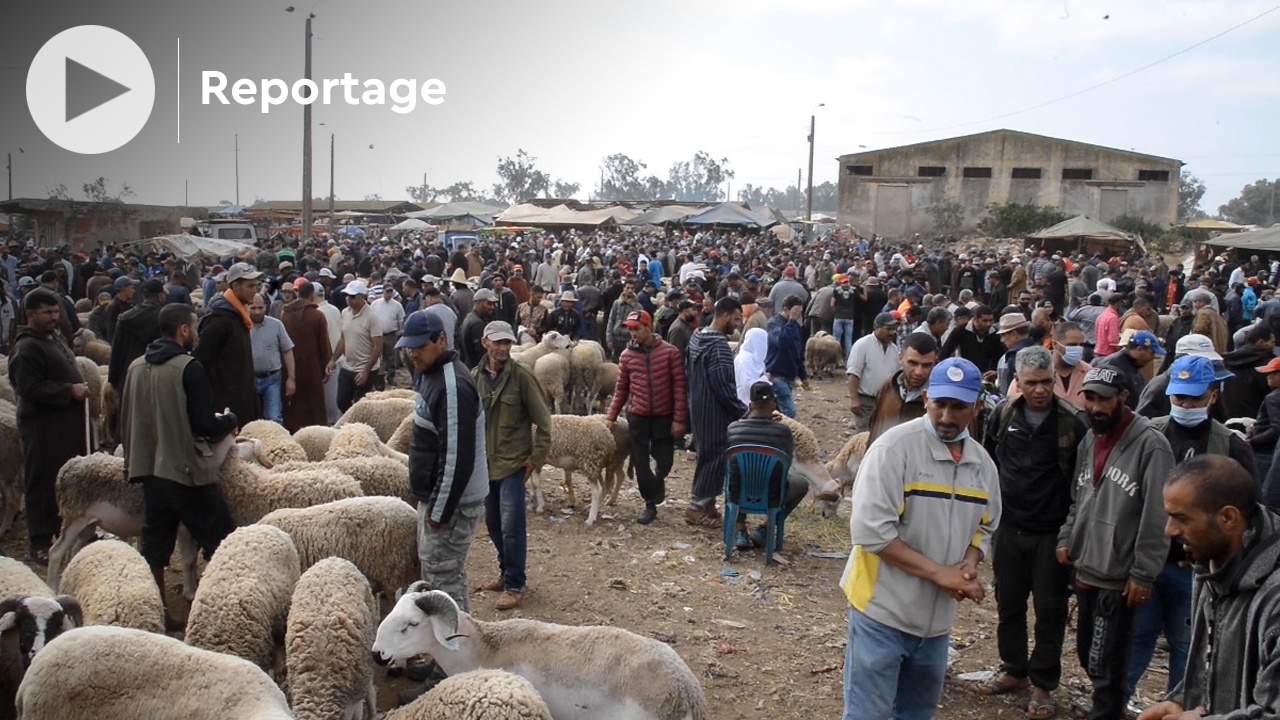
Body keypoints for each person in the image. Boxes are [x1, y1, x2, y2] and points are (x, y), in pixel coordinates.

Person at [841, 357, 999, 720]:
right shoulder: (893, 450)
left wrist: (968, 566)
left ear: (976, 407)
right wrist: (939, 574)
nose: (946, 416)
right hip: (881, 611)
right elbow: (871, 532)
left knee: (917, 714)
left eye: (958, 407)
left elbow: (985, 526)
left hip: (935, 624)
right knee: (869, 714)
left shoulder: (982, 465)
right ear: (926, 398)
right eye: (939, 404)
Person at [1126, 355, 1256, 709]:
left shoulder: (1228, 445)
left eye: (1194, 399)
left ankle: (1188, 707)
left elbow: (1248, 512)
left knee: (1189, 644)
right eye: (1178, 398)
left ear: (1212, 396)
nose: (1185, 405)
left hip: (1198, 570)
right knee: (1138, 638)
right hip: (1150, 563)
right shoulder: (1149, 433)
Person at [1056, 365, 1175, 720]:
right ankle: (1106, 706)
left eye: (1103, 400)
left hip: (1120, 574)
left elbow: (1158, 514)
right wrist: (1068, 535)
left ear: (1123, 397)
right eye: (1089, 398)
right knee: (1088, 652)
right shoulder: (1091, 438)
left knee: (1108, 661)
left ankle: (1107, 711)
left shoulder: (1152, 445)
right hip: (1087, 564)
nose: (1094, 407)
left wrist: (1143, 572)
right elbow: (1080, 494)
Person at [981, 346, 1088, 719]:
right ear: (1018, 383)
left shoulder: (1072, 423)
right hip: (1009, 526)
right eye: (1031, 383)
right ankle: (1014, 669)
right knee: (1008, 602)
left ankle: (1043, 683)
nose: (1040, 390)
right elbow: (988, 462)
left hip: (1051, 532)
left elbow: (1082, 482)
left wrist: (1070, 534)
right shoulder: (1002, 414)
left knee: (1050, 609)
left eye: (1046, 382)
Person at [119, 303, 238, 631]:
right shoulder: (188, 367)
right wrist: (229, 420)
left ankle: (158, 612)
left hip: (149, 469)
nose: (196, 333)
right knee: (223, 539)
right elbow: (202, 423)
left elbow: (126, 418)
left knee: (155, 545)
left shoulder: (136, 367)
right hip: (184, 470)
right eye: (194, 327)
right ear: (184, 330)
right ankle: (226, 611)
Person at [1137, 455, 1280, 720]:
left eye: (1181, 518)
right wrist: (1181, 700)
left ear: (1228, 518)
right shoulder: (1212, 565)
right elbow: (1212, 666)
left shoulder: (1274, 598)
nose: (1169, 530)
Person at [400, 310, 488, 611]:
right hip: (443, 499)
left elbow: (456, 455)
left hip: (453, 504)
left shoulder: (452, 387)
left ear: (440, 340)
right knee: (440, 574)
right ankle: (449, 652)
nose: (412, 354)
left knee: (443, 578)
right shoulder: (432, 375)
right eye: (408, 347)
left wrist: (439, 512)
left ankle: (455, 654)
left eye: (419, 347)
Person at [471, 321, 551, 611]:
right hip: (486, 463)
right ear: (485, 343)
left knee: (512, 523)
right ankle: (506, 572)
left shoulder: (522, 377)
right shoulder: (475, 377)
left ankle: (515, 583)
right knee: (492, 522)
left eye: (507, 342)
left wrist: (536, 459)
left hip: (513, 462)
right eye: (498, 342)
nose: (503, 348)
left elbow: (544, 421)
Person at [8, 288, 93, 562]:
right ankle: (40, 540)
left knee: (64, 479)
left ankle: (67, 529)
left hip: (64, 426)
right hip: (42, 428)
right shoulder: (26, 348)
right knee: (43, 480)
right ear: (30, 314)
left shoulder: (52, 337)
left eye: (55, 311)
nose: (54, 317)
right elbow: (30, 388)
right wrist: (69, 390)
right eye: (47, 313)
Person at [606, 309, 688, 525]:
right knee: (641, 463)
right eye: (630, 329)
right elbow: (621, 388)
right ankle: (650, 503)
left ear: (648, 327)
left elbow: (679, 386)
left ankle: (659, 480)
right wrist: (611, 416)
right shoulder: (627, 356)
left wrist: (679, 419)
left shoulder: (669, 353)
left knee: (665, 460)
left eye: (637, 328)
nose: (633, 333)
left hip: (663, 415)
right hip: (638, 415)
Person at [685, 297, 746, 527]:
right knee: (715, 459)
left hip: (699, 408)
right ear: (726, 316)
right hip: (716, 412)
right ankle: (696, 506)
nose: (737, 325)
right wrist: (742, 412)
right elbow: (724, 386)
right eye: (737, 319)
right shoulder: (719, 345)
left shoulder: (697, 337)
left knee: (706, 455)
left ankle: (708, 506)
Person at [726, 380, 808, 550]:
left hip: (737, 493)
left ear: (750, 405)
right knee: (802, 484)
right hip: (771, 496)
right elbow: (787, 464)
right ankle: (766, 528)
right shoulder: (783, 432)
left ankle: (740, 529)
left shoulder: (733, 428)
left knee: (736, 474)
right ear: (773, 404)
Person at [194, 262, 262, 425]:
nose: (254, 290)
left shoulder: (239, 317)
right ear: (235, 286)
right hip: (226, 407)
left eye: (256, 285)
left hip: (242, 401)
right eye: (250, 285)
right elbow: (200, 360)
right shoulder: (220, 321)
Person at [867, 332, 938, 442]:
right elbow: (874, 429)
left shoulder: (940, 401)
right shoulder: (888, 388)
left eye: (926, 365)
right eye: (913, 363)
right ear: (901, 358)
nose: (919, 372)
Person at [280, 280, 331, 431]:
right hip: (312, 367)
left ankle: (294, 433)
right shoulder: (317, 315)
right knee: (314, 406)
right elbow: (324, 344)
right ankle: (316, 435)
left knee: (294, 406)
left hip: (290, 368)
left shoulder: (285, 315)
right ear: (312, 296)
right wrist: (325, 367)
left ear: (297, 293)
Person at [326, 280, 383, 412]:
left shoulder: (372, 317)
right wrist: (333, 359)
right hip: (348, 366)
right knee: (341, 401)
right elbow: (343, 339)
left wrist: (366, 371)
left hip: (365, 368)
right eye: (347, 296)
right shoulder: (345, 313)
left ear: (362, 296)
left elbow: (378, 346)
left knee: (361, 407)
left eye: (352, 296)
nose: (348, 299)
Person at [1009, 321, 1092, 410]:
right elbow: (1012, 407)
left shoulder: (1089, 373)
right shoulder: (1031, 371)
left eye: (1081, 345)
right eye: (1072, 345)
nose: (1078, 349)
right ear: (1055, 344)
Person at [107, 278, 166, 393]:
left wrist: (113, 379)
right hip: (157, 376)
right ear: (160, 296)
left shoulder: (124, 318)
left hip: (130, 374)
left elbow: (116, 350)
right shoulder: (165, 318)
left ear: (144, 296)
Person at [847, 312, 901, 430]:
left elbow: (896, 377)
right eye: (888, 329)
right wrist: (854, 400)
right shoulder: (862, 345)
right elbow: (853, 374)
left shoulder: (894, 349)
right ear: (877, 327)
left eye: (894, 329)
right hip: (866, 400)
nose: (892, 332)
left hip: (885, 401)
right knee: (864, 435)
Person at [248, 292, 296, 426]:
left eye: (260, 307)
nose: (257, 312)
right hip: (248, 379)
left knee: (274, 417)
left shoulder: (276, 325)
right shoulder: (241, 326)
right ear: (247, 307)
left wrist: (291, 379)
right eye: (253, 308)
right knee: (250, 419)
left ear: (266, 307)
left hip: (272, 379)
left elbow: (287, 351)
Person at [1097, 330, 1165, 410]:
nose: (1153, 357)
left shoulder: (1134, 364)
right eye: (1152, 353)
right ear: (1140, 349)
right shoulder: (1113, 365)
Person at [765, 296, 809, 418]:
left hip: (790, 375)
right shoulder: (773, 324)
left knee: (779, 409)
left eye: (800, 311)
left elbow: (798, 352)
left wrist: (803, 375)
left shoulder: (796, 327)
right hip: (777, 374)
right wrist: (791, 321)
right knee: (789, 411)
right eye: (796, 311)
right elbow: (781, 342)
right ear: (786, 309)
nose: (798, 314)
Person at [370, 283, 406, 386]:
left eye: (391, 292)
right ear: (383, 292)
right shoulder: (375, 304)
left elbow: (400, 318)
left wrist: (400, 329)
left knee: (391, 357)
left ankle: (391, 377)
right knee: (378, 357)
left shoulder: (397, 305)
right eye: (387, 292)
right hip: (378, 334)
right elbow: (371, 318)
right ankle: (378, 379)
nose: (389, 294)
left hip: (390, 334)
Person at [458, 287, 497, 368]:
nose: (492, 307)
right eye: (488, 304)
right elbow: (482, 355)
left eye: (493, 304)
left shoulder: (470, 317)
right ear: (478, 303)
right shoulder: (477, 324)